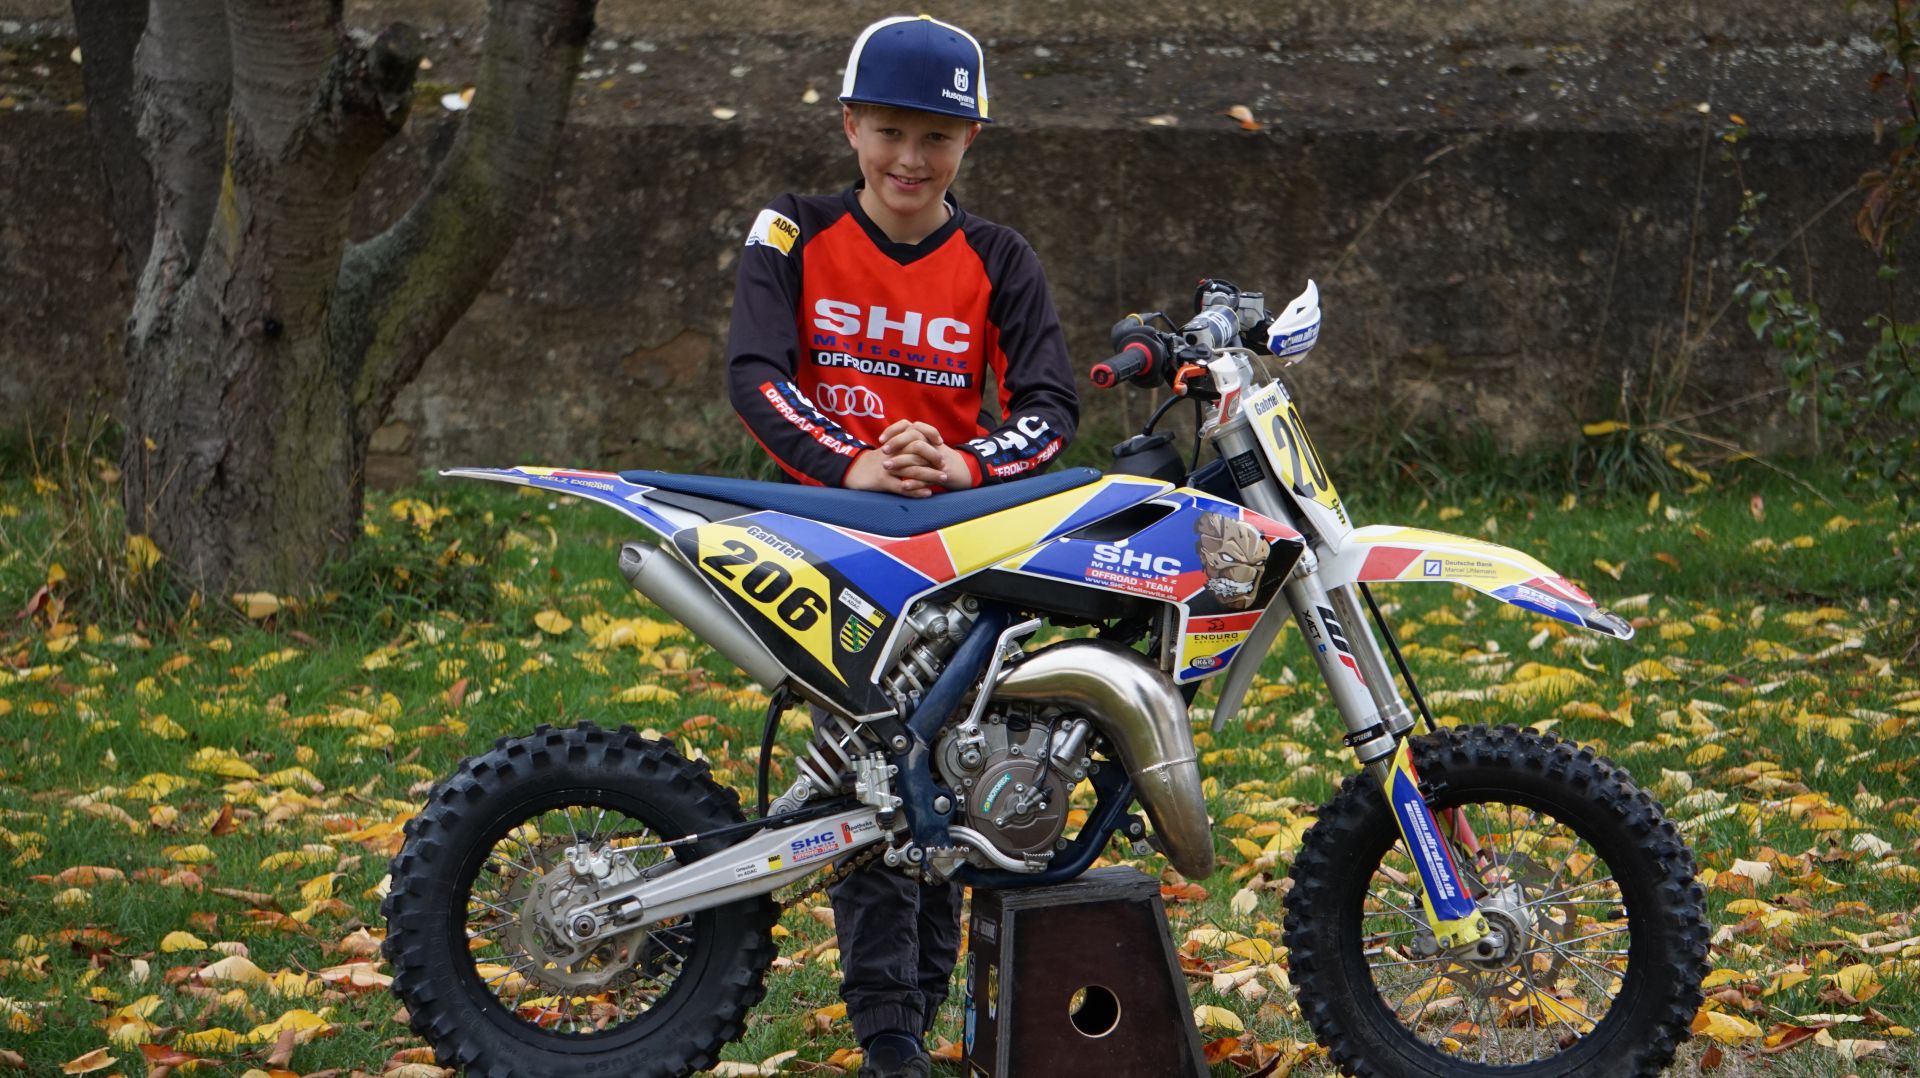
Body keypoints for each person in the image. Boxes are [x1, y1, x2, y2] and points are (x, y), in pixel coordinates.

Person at [724, 15, 1079, 1077]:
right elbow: (756, 373)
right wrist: (856, 465)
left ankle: (920, 1010)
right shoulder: (791, 230)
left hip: (957, 544)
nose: (910, 160)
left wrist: (959, 464)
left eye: (937, 137)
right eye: (888, 132)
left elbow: (1050, 407)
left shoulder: (1000, 258)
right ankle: (890, 1027)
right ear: (849, 125)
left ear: (972, 138)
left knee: (949, 776)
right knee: (873, 774)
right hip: (832, 539)